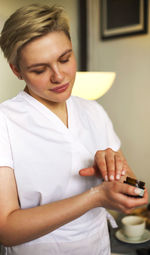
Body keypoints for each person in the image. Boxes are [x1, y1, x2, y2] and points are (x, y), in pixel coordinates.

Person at [0, 4, 148, 255]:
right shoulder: (5, 122)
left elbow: (139, 191)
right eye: (39, 69)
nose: (59, 76)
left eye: (65, 58)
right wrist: (95, 197)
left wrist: (117, 174)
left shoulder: (94, 112)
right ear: (17, 70)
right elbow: (6, 229)